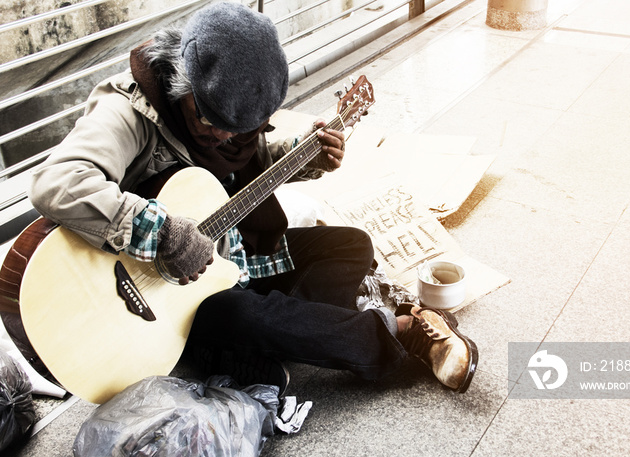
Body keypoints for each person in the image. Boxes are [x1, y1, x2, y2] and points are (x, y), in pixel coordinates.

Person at [27, 2, 477, 397]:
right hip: (161, 294)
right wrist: (163, 233)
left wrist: (308, 157)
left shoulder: (234, 124)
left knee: (351, 245)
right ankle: (398, 339)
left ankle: (269, 338)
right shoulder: (129, 110)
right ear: (185, 79)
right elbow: (56, 181)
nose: (222, 135)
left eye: (237, 127)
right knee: (243, 313)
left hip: (230, 250)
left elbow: (249, 170)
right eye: (209, 119)